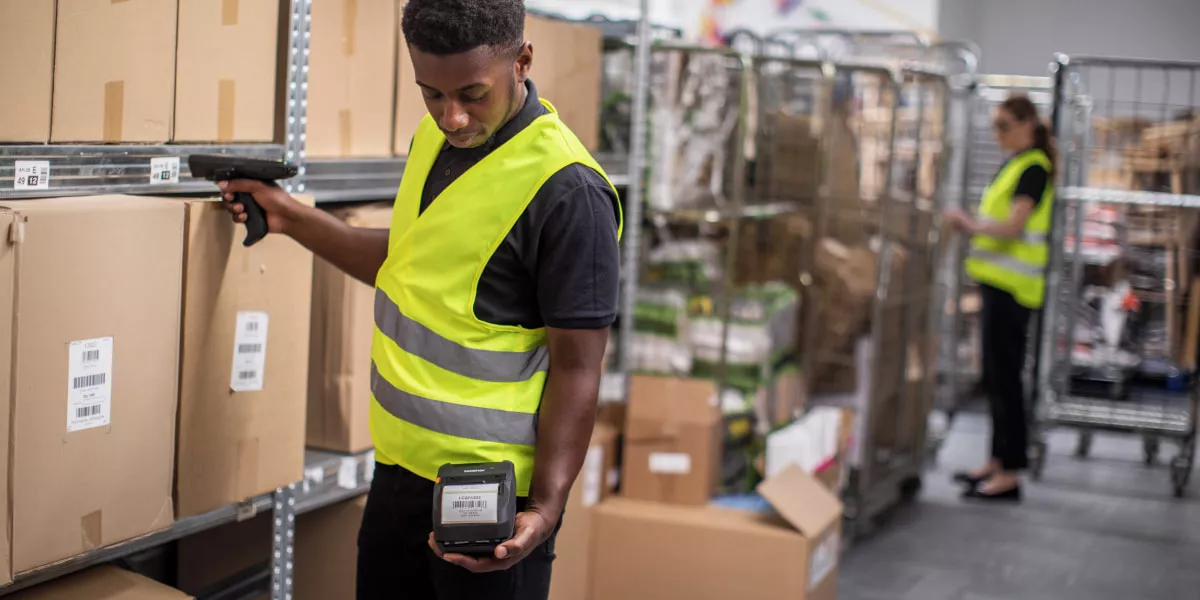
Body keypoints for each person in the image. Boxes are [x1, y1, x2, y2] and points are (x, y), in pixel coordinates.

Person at [218, 1, 622, 597]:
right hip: (400, 476)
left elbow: (579, 368)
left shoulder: (568, 192)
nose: (452, 116)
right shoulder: (434, 145)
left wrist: (547, 507)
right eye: (431, 93)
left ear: (522, 61)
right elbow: (407, 266)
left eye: (471, 94)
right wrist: (290, 217)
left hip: (493, 498)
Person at [943, 95, 1055, 503]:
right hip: (997, 287)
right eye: (995, 126)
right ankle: (995, 460)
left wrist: (968, 224)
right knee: (994, 377)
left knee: (1007, 381)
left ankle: (1009, 473)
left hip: (1014, 292)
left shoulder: (1034, 169)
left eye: (1004, 125)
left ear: (1028, 124)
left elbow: (1013, 227)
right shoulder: (1016, 163)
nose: (997, 134)